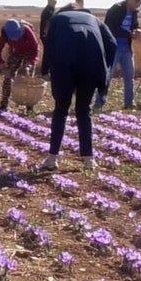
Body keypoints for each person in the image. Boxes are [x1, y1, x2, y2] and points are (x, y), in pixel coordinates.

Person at [38, 9, 117, 171]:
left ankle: (52, 158)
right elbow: (113, 44)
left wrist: (46, 70)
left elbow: (49, 45)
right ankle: (89, 159)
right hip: (91, 65)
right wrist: (104, 68)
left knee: (61, 109)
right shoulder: (93, 19)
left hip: (65, 64)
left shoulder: (57, 19)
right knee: (83, 110)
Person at [97, 0, 141, 110]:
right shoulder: (116, 9)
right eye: (138, 3)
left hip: (126, 48)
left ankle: (129, 102)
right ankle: (99, 102)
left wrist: (137, 30)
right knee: (108, 76)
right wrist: (129, 34)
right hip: (113, 47)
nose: (138, 6)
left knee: (130, 76)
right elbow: (111, 28)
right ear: (132, 0)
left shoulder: (134, 12)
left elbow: (135, 24)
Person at [0, 18, 41, 112]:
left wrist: (30, 64)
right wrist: (2, 65)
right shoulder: (4, 35)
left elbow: (35, 49)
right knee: (8, 77)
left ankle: (29, 107)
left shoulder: (27, 30)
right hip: (15, 52)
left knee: (28, 77)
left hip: (30, 53)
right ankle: (4, 105)